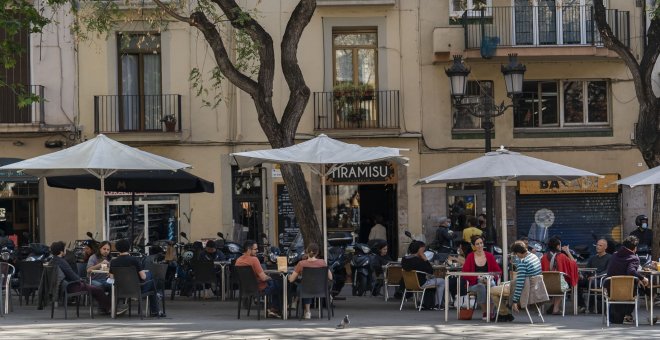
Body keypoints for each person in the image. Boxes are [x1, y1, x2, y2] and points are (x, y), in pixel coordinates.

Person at [49, 241, 112, 315]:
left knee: (99, 289)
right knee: (97, 290)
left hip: (62, 285)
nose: (66, 250)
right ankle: (110, 308)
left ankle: (106, 308)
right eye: (65, 249)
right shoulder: (62, 262)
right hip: (70, 286)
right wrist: (81, 281)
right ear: (61, 251)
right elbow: (71, 274)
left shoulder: (52, 261)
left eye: (108, 249)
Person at [110, 239, 164, 317]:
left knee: (150, 279)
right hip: (137, 289)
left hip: (120, 289)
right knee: (151, 280)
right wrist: (147, 274)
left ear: (117, 249)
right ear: (128, 248)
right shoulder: (134, 260)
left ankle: (157, 298)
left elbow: (112, 277)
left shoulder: (113, 262)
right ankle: (155, 311)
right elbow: (143, 277)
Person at [492, 240, 542, 322]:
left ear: (518, 253)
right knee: (502, 284)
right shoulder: (534, 257)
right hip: (534, 289)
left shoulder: (523, 263)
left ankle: (504, 313)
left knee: (493, 290)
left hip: (525, 290)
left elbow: (520, 284)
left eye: (515, 254)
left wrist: (514, 301)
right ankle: (504, 311)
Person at [606, 235, 652, 324]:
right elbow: (631, 271)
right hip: (626, 292)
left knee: (638, 283)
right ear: (635, 248)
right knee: (642, 286)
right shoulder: (633, 258)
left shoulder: (614, 255)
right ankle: (629, 313)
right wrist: (642, 278)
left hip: (611, 290)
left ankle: (626, 315)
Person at [236, 239, 283, 318]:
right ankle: (274, 309)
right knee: (279, 285)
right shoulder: (254, 260)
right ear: (248, 249)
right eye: (255, 249)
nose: (257, 251)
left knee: (275, 284)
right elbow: (263, 278)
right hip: (260, 288)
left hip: (245, 288)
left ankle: (273, 309)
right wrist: (270, 277)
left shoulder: (238, 260)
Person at [287, 243, 332, 319]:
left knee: (301, 286)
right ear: (317, 252)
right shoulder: (322, 262)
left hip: (305, 289)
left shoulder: (301, 264)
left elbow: (291, 280)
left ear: (306, 251)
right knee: (307, 285)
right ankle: (305, 310)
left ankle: (303, 308)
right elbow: (330, 277)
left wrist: (288, 277)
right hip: (321, 289)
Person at [462, 235, 502, 321]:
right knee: (481, 287)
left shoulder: (489, 256)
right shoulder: (470, 256)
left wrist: (491, 276)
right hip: (475, 284)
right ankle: (484, 312)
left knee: (491, 285)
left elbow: (498, 271)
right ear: (473, 246)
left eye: (481, 243)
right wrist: (478, 278)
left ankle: (490, 312)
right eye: (477, 244)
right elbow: (465, 273)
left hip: (489, 281)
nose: (480, 245)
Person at [401, 240, 445, 310]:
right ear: (420, 249)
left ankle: (428, 302)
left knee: (432, 279)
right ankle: (438, 304)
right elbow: (430, 271)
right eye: (423, 249)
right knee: (442, 281)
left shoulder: (404, 259)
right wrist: (425, 259)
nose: (424, 251)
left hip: (408, 284)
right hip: (421, 283)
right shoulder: (419, 260)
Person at [541, 236, 578, 315]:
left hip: (545, 285)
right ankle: (555, 309)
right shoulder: (562, 256)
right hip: (558, 285)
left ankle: (553, 305)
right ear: (558, 246)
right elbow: (573, 264)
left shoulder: (543, 257)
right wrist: (568, 252)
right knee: (561, 285)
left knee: (556, 283)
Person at [577, 238, 611, 313]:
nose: (597, 247)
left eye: (600, 245)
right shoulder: (592, 258)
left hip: (600, 279)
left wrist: (595, 276)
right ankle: (582, 305)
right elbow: (587, 270)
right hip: (590, 278)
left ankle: (590, 306)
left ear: (605, 247)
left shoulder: (609, 257)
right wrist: (582, 275)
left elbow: (607, 271)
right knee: (576, 282)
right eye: (597, 245)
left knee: (592, 283)